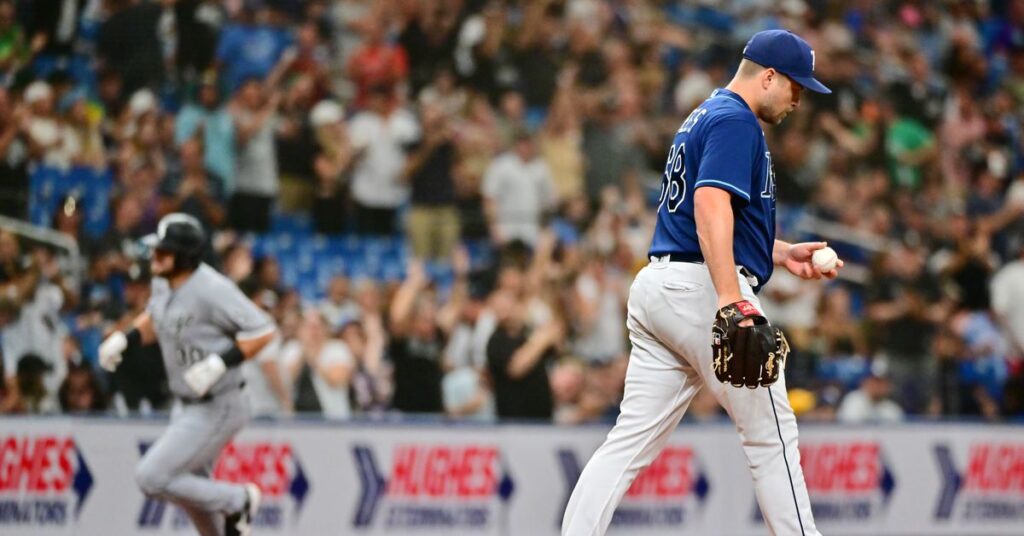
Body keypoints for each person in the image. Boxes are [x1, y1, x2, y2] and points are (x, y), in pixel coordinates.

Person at [562, 30, 841, 536]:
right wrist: (732, 300)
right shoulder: (738, 121)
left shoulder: (707, 113)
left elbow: (711, 216)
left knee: (628, 442)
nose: (799, 99)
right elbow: (710, 203)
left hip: (661, 286)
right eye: (796, 87)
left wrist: (776, 252)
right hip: (700, 288)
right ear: (769, 76)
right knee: (771, 435)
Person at [97, 213, 275, 536]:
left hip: (219, 402)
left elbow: (263, 330)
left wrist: (219, 363)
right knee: (194, 496)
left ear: (184, 255)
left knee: (151, 477)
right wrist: (126, 338)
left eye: (164, 251)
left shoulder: (212, 288)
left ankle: (239, 500)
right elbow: (157, 318)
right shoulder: (163, 282)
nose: (156, 256)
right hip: (186, 404)